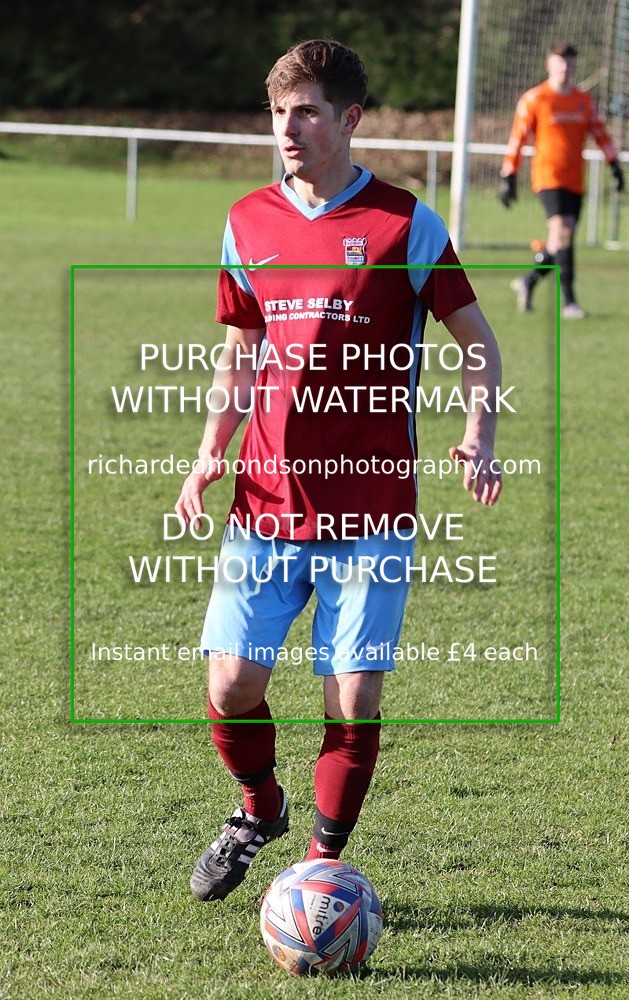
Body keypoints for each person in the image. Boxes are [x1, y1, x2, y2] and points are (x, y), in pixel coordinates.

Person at [175, 39, 503, 903]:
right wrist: (212, 449)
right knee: (231, 680)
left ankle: (321, 866)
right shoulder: (247, 219)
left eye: (308, 111)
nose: (289, 127)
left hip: (370, 509)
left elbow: (477, 342)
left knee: (351, 699)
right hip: (266, 500)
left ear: (349, 119)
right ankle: (258, 810)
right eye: (279, 111)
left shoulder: (404, 222)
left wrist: (480, 430)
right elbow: (242, 350)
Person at [499, 43, 624, 319]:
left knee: (559, 242)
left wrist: (614, 164)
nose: (564, 69)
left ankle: (528, 282)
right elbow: (518, 137)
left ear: (575, 66)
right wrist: (509, 174)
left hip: (574, 180)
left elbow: (600, 133)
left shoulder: (583, 101)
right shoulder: (535, 99)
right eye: (559, 63)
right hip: (547, 177)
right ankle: (569, 302)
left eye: (569, 64)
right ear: (549, 65)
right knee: (564, 231)